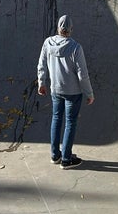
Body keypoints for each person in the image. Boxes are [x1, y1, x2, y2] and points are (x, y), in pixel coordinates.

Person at [37, 15, 95, 169]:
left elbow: (41, 63)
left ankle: (55, 155)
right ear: (71, 30)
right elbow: (83, 74)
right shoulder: (75, 47)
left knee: (56, 119)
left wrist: (41, 82)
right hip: (73, 92)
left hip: (55, 89)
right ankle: (66, 159)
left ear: (58, 28)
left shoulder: (48, 43)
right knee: (70, 123)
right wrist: (89, 93)